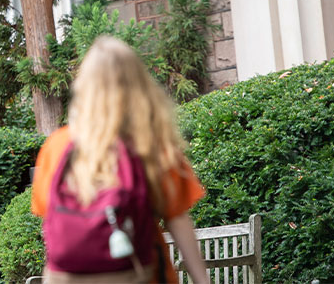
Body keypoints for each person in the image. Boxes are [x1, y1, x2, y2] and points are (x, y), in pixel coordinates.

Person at [31, 36, 209, 284]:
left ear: (84, 87)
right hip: (139, 275)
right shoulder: (151, 145)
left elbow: (50, 219)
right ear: (138, 86)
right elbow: (177, 219)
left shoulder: (57, 146)